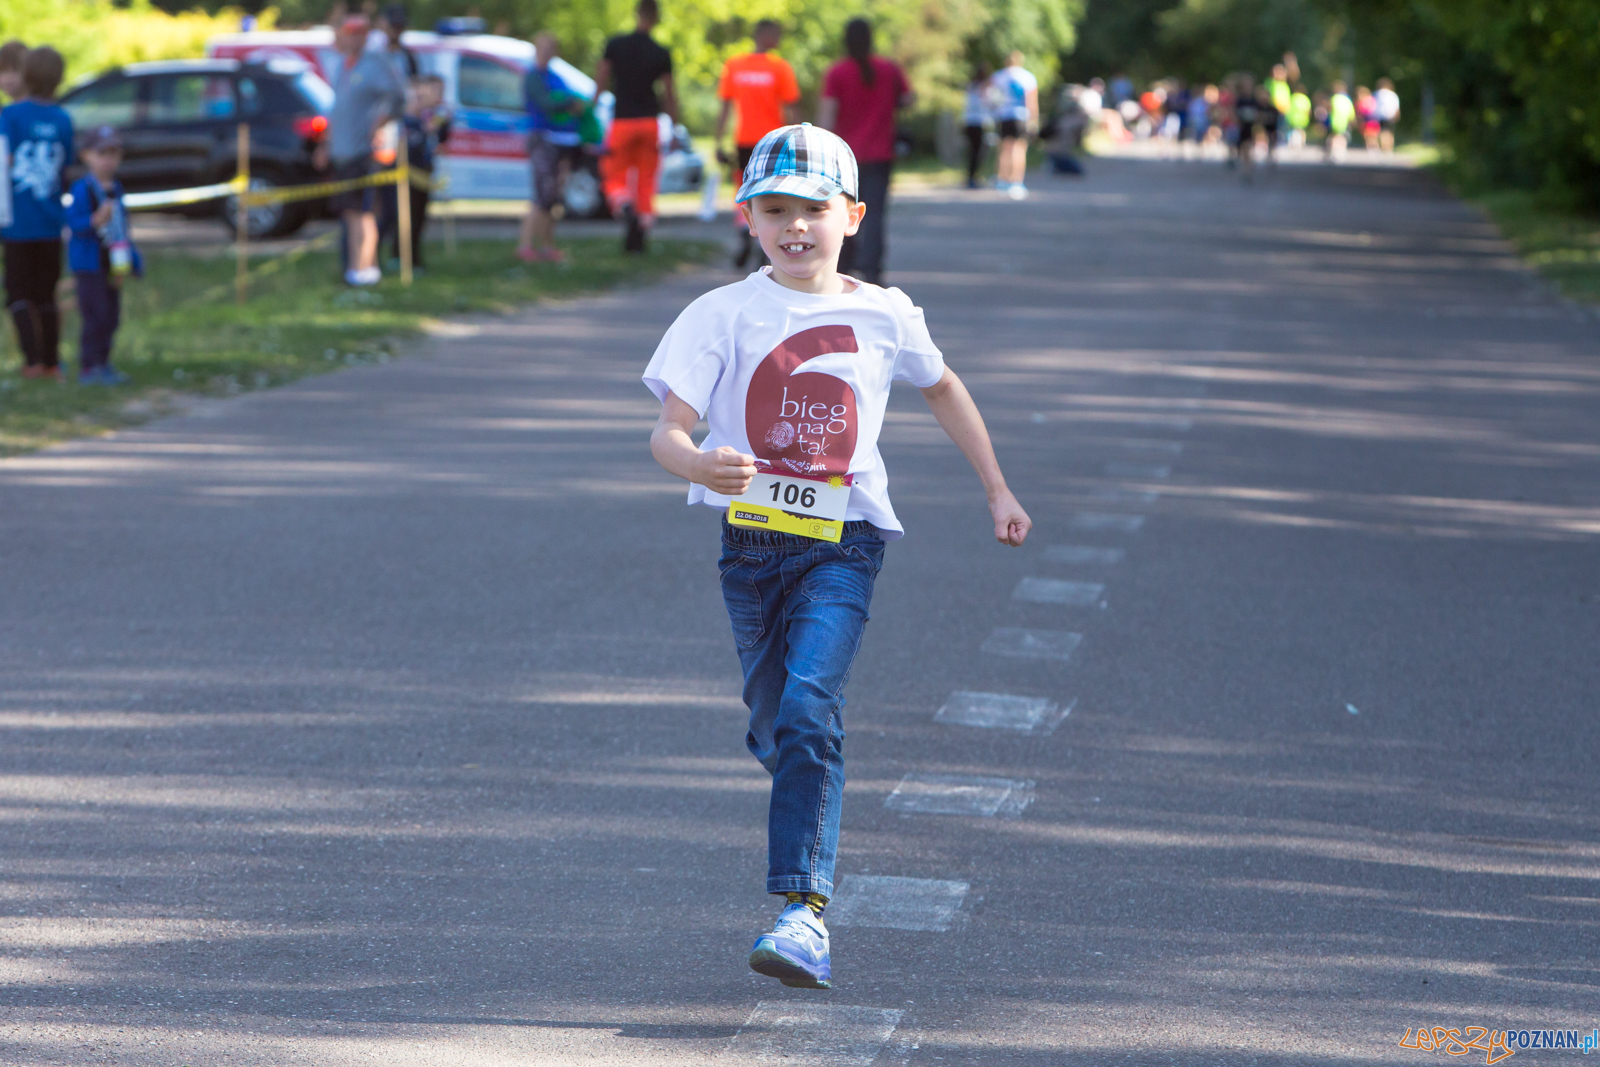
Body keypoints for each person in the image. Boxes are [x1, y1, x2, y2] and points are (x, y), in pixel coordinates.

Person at [641, 122, 1031, 991]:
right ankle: (800, 771)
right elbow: (667, 430)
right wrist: (698, 462)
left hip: (843, 543)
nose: (795, 227)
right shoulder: (720, 313)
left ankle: (802, 913)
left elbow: (944, 388)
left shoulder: (884, 313)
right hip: (750, 548)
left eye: (814, 209)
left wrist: (997, 489)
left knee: (811, 706)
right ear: (747, 217)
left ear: (852, 215)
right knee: (779, 723)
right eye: (775, 209)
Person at [817, 18, 910, 284]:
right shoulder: (888, 69)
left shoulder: (837, 72)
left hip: (844, 156)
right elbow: (908, 99)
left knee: (842, 210)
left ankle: (845, 263)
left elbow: (828, 114)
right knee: (875, 213)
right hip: (880, 154)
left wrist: (820, 147)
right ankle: (872, 268)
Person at [318, 15, 405, 286]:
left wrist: (380, 123)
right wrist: (326, 144)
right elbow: (337, 110)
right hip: (342, 153)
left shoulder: (375, 63)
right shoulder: (343, 64)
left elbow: (397, 97)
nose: (345, 39)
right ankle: (357, 268)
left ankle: (363, 269)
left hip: (362, 153)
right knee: (349, 214)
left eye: (353, 34)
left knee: (362, 213)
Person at [2, 46, 72, 380]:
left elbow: (4, 161)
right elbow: (65, 168)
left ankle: (32, 361)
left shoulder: (10, 116)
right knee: (47, 295)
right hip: (50, 223)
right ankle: (52, 361)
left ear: (26, 75)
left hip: (16, 225)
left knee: (18, 295)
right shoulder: (63, 119)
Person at [715, 19, 800, 269]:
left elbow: (725, 108)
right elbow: (792, 107)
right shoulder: (779, 67)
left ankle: (746, 231)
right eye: (776, 34)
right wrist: (799, 139)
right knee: (771, 192)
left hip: (744, 140)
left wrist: (719, 141)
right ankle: (764, 244)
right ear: (765, 35)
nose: (778, 39)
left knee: (744, 191)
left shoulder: (735, 65)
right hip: (773, 142)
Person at [596, 0, 678, 254]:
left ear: (637, 14)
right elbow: (669, 94)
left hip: (622, 121)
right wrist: (674, 126)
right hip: (649, 123)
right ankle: (639, 236)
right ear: (656, 18)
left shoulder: (615, 45)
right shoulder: (660, 51)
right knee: (645, 180)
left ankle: (624, 205)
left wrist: (591, 108)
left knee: (613, 174)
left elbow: (601, 79)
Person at [65, 125, 140, 386]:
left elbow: (122, 229)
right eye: (102, 153)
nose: (108, 160)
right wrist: (94, 220)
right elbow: (72, 223)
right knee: (94, 315)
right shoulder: (81, 189)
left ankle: (104, 364)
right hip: (89, 265)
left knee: (111, 316)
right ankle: (89, 366)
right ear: (86, 155)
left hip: (113, 263)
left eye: (113, 154)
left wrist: (131, 263)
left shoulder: (116, 188)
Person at [518, 32, 586, 263]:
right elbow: (546, 103)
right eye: (543, 48)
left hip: (560, 141)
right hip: (542, 139)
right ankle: (526, 245)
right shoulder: (533, 77)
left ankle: (547, 246)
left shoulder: (556, 77)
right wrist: (569, 103)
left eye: (551, 48)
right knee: (542, 195)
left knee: (553, 197)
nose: (547, 52)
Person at [382, 73, 450, 272]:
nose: (422, 102)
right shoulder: (403, 122)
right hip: (402, 176)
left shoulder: (427, 119)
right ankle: (398, 258)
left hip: (423, 175)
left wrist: (438, 127)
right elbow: (403, 148)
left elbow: (440, 139)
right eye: (418, 97)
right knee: (400, 219)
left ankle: (414, 260)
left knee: (418, 219)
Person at [989, 51, 1038, 198]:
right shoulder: (1027, 77)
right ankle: (1016, 181)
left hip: (1003, 116)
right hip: (1021, 116)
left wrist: (994, 112)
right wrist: (1034, 119)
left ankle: (1002, 180)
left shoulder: (998, 76)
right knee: (1019, 149)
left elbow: (991, 97)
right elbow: (1031, 101)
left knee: (1004, 148)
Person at [960, 63, 993, 189]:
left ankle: (971, 176)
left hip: (968, 122)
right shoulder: (984, 89)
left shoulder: (970, 86)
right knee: (978, 152)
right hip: (979, 122)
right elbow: (990, 104)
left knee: (972, 151)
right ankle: (972, 177)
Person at [1326, 81, 1354, 162]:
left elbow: (1329, 109)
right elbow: (1351, 113)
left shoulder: (1334, 98)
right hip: (1344, 120)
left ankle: (1334, 151)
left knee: (1334, 136)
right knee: (1342, 136)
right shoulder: (1347, 99)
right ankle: (1341, 151)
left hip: (1335, 120)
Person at [1375, 77, 1400, 152]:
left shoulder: (1377, 93)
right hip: (1391, 115)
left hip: (1380, 116)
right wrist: (1397, 116)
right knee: (1390, 132)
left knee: (1382, 132)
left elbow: (1373, 105)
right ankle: (1389, 147)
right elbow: (1396, 107)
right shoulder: (1393, 94)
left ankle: (1384, 147)